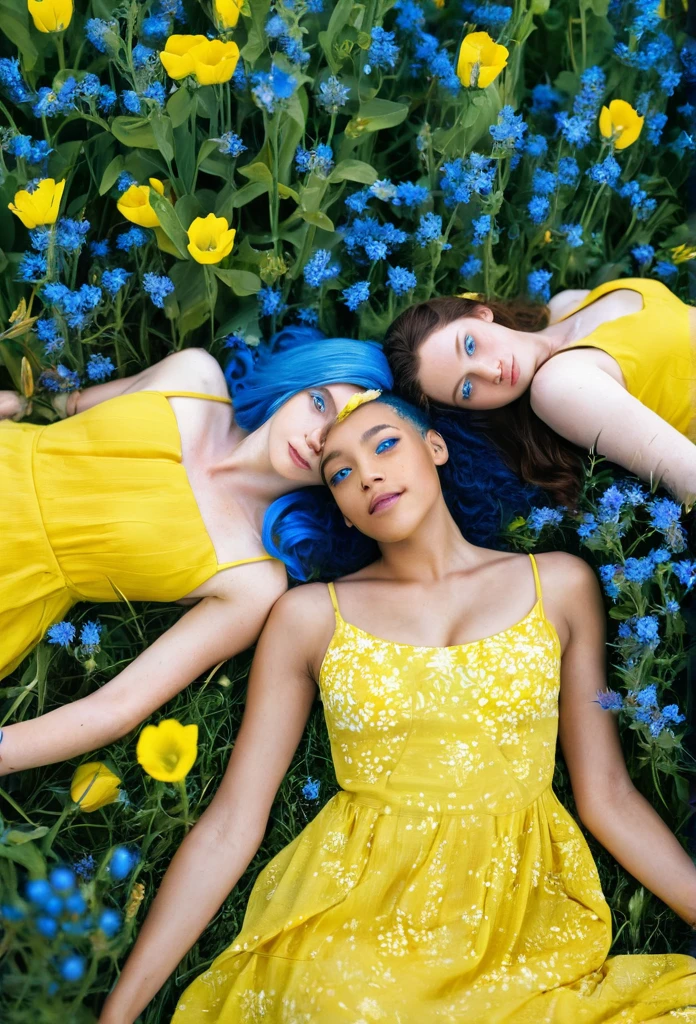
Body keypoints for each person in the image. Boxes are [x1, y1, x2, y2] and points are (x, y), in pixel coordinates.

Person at [99, 390, 696, 1024]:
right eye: (341, 474)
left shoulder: (558, 584)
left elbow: (607, 793)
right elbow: (230, 826)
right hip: (357, 917)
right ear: (344, 513)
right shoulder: (307, 618)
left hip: (515, 916)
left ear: (434, 448)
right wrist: (120, 1013)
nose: (369, 475)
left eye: (385, 444)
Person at [0, 327, 392, 775]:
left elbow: (118, 706)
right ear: (297, 382)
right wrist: (18, 402)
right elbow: (59, 406)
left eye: (339, 438)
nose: (315, 439)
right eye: (319, 403)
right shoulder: (194, 376)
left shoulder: (253, 578)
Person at [383, 279, 696, 509]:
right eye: (467, 388)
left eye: (470, 345)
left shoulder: (566, 304)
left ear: (481, 313)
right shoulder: (559, 386)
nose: (490, 372)